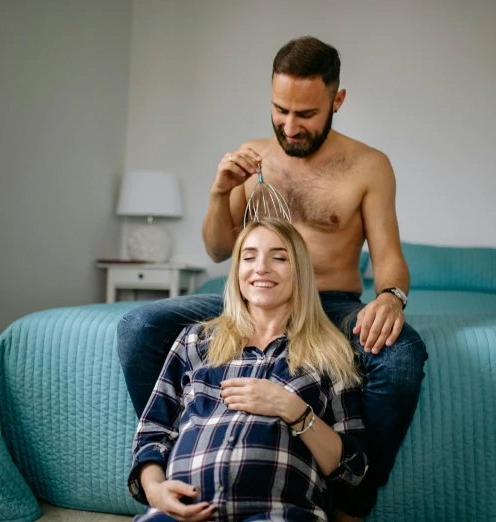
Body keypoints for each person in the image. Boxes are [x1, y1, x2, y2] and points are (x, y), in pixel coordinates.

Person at [119, 36, 427, 520]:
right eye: (280, 109)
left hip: (331, 302)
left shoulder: (368, 165)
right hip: (247, 299)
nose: (290, 125)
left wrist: (390, 296)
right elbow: (220, 248)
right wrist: (220, 194)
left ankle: (350, 501)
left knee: (402, 355)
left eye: (305, 113)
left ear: (337, 101)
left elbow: (389, 257)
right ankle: (181, 460)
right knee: (137, 327)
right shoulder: (253, 157)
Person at [129, 220, 367, 521]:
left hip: (278, 514)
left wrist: (292, 409)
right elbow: (153, 432)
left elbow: (353, 467)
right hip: (182, 513)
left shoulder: (331, 353)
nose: (261, 268)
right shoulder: (195, 340)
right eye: (249, 256)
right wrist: (155, 490)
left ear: (301, 273)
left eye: (279, 257)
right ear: (238, 271)